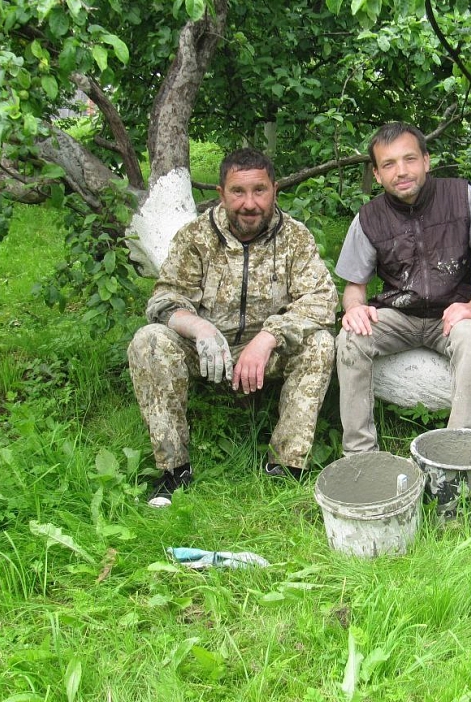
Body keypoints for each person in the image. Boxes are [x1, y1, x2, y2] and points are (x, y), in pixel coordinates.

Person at [128, 148, 338, 507]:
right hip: (207, 353)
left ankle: (285, 465)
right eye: (238, 192)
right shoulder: (196, 236)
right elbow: (164, 300)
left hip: (268, 354)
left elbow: (322, 299)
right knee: (149, 340)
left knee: (320, 343)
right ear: (221, 193)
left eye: (260, 190)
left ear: (274, 190)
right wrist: (200, 329)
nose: (249, 204)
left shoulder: (295, 237)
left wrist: (269, 337)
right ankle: (174, 470)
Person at [335, 122, 471, 454]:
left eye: (409, 159)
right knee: (350, 338)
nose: (401, 171)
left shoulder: (462, 197)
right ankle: (359, 453)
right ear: (377, 174)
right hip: (398, 315)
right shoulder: (368, 218)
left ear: (426, 161)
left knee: (469, 337)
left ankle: (459, 450)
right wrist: (354, 308)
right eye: (389, 164)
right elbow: (354, 286)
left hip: (452, 313)